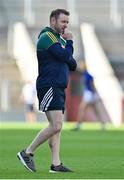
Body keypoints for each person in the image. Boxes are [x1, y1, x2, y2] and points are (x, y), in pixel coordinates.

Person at [17, 9, 77, 173]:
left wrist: (66, 49)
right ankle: (27, 152)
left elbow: (73, 64)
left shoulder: (59, 40)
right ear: (53, 21)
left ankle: (55, 165)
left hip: (57, 85)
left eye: (67, 22)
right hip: (49, 85)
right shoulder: (47, 37)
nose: (66, 25)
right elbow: (66, 58)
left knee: (56, 127)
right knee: (56, 125)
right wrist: (70, 42)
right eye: (63, 22)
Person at [73, 63, 106, 130]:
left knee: (82, 109)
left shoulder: (87, 75)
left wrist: (94, 94)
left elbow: (92, 85)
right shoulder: (85, 75)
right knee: (96, 110)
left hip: (89, 94)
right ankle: (103, 124)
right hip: (89, 94)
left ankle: (78, 125)